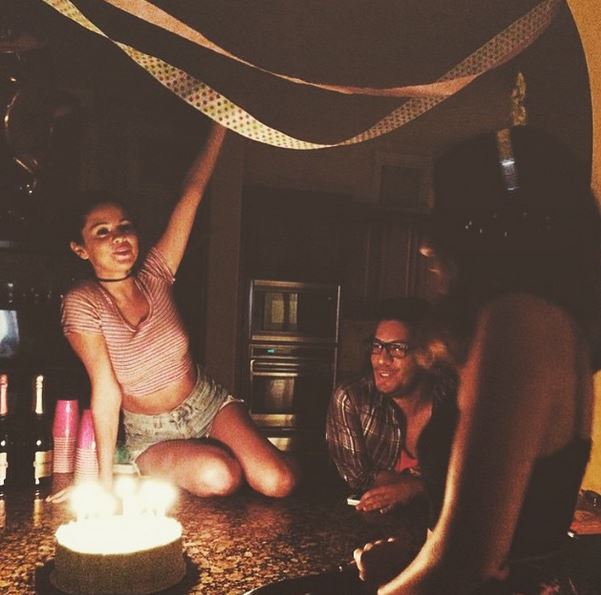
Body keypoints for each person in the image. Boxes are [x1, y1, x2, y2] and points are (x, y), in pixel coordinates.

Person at [354, 126, 601, 594]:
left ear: (489, 226)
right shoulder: (548, 322)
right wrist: (414, 558)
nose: (427, 244)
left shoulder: (520, 322)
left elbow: (466, 563)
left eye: (445, 218)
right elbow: (501, 530)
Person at [57, 122, 298, 499]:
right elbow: (105, 390)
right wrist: (102, 483)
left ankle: (246, 458)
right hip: (152, 433)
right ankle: (186, 464)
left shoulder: (156, 272)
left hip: (207, 404)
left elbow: (193, 190)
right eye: (102, 231)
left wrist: (222, 124)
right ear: (80, 248)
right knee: (221, 476)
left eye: (124, 226)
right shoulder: (83, 302)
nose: (119, 237)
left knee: (279, 482)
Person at [326, 297, 457, 515]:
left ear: (426, 355)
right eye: (377, 346)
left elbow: (476, 475)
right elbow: (359, 477)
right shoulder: (351, 399)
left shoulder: (454, 399)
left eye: (397, 348)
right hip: (377, 522)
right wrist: (426, 486)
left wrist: (414, 488)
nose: (381, 360)